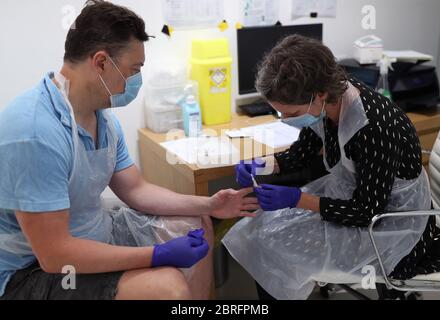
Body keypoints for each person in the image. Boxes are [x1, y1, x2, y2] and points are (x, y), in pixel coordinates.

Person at [0, 0, 259, 300]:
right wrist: (157, 255)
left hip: (91, 233)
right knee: (168, 288)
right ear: (100, 62)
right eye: (134, 69)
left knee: (194, 226)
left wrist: (209, 206)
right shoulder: (34, 133)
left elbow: (135, 189)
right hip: (32, 273)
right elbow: (56, 256)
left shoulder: (102, 119)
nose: (136, 80)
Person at [223, 34, 440, 300]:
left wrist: (297, 199)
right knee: (257, 230)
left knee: (276, 245)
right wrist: (264, 164)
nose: (285, 120)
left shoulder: (375, 128)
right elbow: (301, 154)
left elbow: (366, 212)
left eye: (290, 114)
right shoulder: (326, 106)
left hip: (391, 226)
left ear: (320, 94)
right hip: (348, 198)